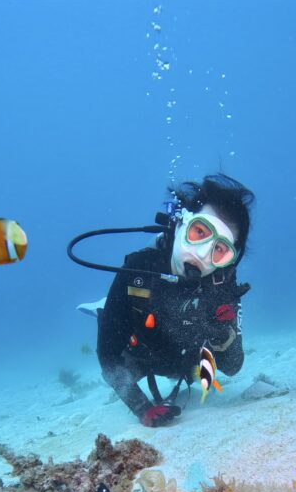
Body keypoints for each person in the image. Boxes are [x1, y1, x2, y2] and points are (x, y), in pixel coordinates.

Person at [97, 173, 255, 427]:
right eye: (200, 231)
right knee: (121, 357)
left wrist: (224, 334)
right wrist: (142, 409)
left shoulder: (221, 285)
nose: (203, 254)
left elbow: (233, 366)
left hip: (185, 364)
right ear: (181, 221)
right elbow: (108, 356)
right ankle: (102, 308)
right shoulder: (138, 271)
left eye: (219, 249)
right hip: (142, 355)